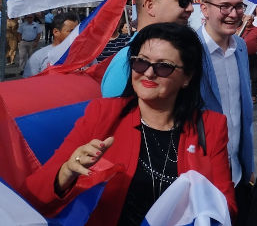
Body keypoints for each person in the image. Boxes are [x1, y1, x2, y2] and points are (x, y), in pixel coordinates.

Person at [22, 22, 236, 225]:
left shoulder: (210, 126)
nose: (148, 73)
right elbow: (34, 193)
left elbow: (227, 209)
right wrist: (66, 172)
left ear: (187, 77)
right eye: (140, 62)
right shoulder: (103, 115)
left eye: (163, 66)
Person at [198, 0, 254, 226]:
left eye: (238, 6)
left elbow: (244, 114)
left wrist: (247, 163)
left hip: (238, 174)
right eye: (225, 6)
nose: (233, 13)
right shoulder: (188, 51)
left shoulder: (240, 47)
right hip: (203, 178)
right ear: (204, 8)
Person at [101, 0, 195, 97]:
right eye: (183, 1)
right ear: (150, 6)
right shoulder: (126, 64)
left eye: (191, 1)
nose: (190, 8)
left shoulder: (183, 52)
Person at [23, 12, 80, 77]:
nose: (76, 34)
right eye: (71, 31)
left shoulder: (85, 54)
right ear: (56, 32)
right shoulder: (38, 57)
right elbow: (29, 83)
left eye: (77, 30)